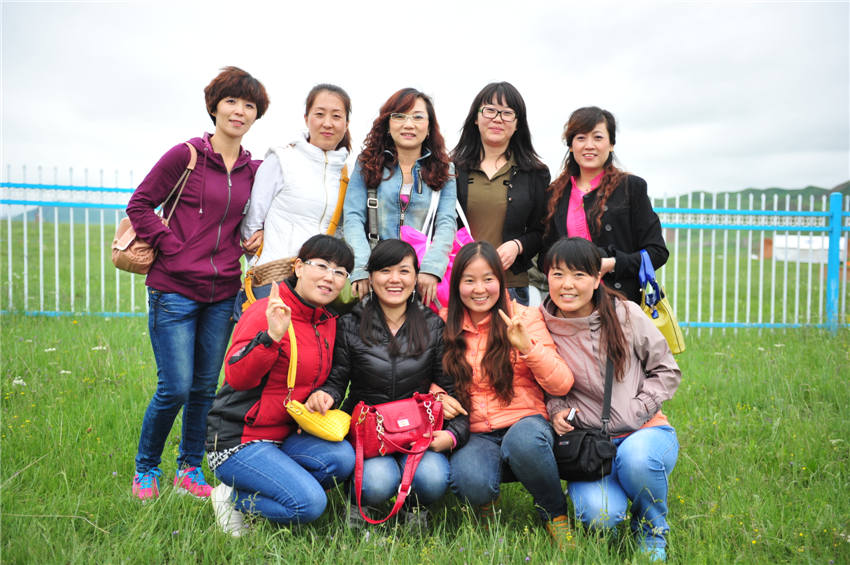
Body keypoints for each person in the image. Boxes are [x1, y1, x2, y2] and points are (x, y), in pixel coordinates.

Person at [126, 66, 269, 500]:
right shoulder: (185, 155)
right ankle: (146, 469)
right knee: (175, 387)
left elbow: (256, 217)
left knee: (205, 388)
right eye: (231, 101)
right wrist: (173, 247)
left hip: (223, 293)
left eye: (249, 105)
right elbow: (140, 204)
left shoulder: (254, 170)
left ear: (256, 114)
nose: (239, 111)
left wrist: (256, 237)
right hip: (173, 290)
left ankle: (189, 469)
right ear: (214, 107)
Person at [307, 239, 469, 528]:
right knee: (378, 481)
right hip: (370, 433)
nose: (395, 279)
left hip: (418, 432)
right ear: (370, 277)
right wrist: (325, 395)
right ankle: (360, 506)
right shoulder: (350, 324)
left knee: (433, 477)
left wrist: (452, 434)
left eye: (404, 271)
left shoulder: (433, 325)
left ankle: (414, 508)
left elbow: (451, 390)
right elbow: (336, 381)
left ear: (415, 278)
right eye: (385, 271)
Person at [205, 235, 356, 537]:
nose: (330, 277)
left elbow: (331, 377)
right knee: (309, 505)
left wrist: (325, 394)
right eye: (321, 266)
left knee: (341, 459)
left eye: (340, 272)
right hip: (239, 439)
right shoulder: (266, 310)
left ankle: (271, 485)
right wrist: (271, 337)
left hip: (286, 436)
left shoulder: (327, 321)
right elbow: (237, 377)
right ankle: (232, 498)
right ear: (298, 267)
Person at [541, 237, 681, 562]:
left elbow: (667, 370)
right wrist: (557, 410)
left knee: (637, 460)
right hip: (589, 446)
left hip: (644, 433)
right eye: (558, 274)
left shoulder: (625, 314)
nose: (567, 285)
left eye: (579, 275)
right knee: (601, 514)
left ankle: (651, 532)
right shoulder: (541, 325)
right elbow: (541, 383)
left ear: (596, 279)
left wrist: (639, 407)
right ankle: (612, 520)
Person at [441, 241, 576, 546]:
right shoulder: (445, 323)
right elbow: (432, 377)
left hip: (524, 421)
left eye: (488, 279)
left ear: (501, 282)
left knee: (524, 443)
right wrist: (439, 396)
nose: (479, 289)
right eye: (469, 280)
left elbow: (562, 383)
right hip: (474, 430)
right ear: (457, 284)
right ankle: (486, 507)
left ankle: (555, 515)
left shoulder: (524, 317)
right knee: (470, 479)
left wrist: (526, 346)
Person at [343, 88, 457, 309]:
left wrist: (432, 268)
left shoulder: (445, 169)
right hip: (376, 272)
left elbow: (446, 222)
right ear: (387, 123)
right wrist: (362, 268)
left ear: (429, 127)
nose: (409, 124)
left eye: (418, 117)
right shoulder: (367, 163)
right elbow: (353, 217)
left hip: (421, 276)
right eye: (399, 116)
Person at [541, 106, 668, 304]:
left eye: (598, 137)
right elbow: (545, 256)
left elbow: (657, 252)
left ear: (611, 144)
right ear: (571, 145)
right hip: (569, 304)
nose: (589, 145)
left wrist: (613, 263)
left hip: (618, 302)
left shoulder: (631, 188)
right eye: (581, 138)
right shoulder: (554, 194)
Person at [451, 82, 550, 306]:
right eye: (490, 110)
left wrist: (518, 245)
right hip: (461, 285)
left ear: (517, 124)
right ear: (476, 118)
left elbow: (543, 231)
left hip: (511, 285)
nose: (497, 119)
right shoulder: (451, 169)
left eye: (507, 113)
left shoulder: (535, 173)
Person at [241, 84, 352, 263]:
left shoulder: (346, 174)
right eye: (319, 114)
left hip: (319, 275)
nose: (327, 123)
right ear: (306, 119)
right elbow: (252, 222)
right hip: (276, 271)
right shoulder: (281, 159)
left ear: (346, 124)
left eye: (336, 116)